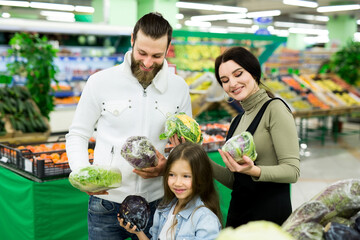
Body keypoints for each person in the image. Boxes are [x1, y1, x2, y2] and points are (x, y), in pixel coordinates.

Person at [65, 12, 192, 240]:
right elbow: (77, 134)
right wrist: (82, 173)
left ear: (168, 48)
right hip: (106, 203)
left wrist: (168, 166)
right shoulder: (100, 82)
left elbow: (186, 147)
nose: (147, 62)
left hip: (159, 201)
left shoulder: (179, 88)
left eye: (156, 56)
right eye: (142, 53)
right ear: (132, 39)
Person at [212, 46, 300, 228]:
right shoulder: (237, 121)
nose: (232, 83)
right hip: (239, 215)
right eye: (225, 80)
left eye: (238, 74)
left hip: (269, 216)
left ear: (253, 72)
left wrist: (255, 171)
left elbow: (292, 171)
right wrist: (196, 155)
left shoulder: (274, 109)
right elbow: (235, 180)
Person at [118, 142, 222, 240]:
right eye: (172, 175)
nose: (177, 183)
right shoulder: (163, 209)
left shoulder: (206, 220)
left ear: (201, 177)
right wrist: (138, 232)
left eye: (186, 176)